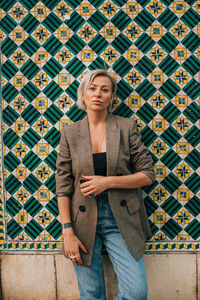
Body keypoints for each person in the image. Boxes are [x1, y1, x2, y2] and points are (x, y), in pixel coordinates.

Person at [56, 69, 155, 300]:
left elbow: (147, 175)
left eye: (104, 89)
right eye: (92, 88)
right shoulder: (70, 133)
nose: (98, 94)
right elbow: (63, 185)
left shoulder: (126, 127)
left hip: (120, 218)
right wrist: (67, 231)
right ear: (83, 93)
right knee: (91, 295)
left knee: (137, 292)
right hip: (81, 221)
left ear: (112, 97)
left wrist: (107, 183)